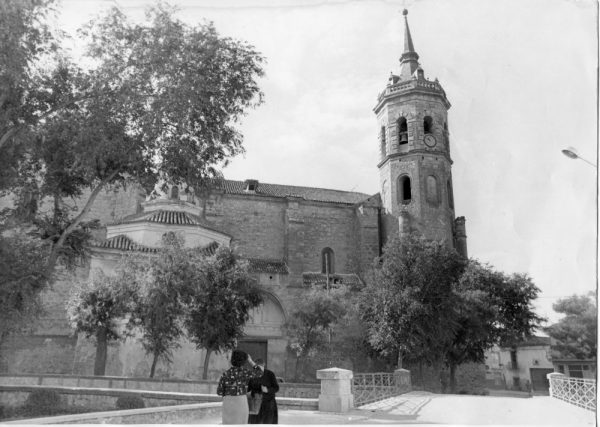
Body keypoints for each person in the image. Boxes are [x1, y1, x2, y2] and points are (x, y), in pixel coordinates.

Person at [217, 350, 262, 424]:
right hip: (241, 402)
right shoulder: (245, 373)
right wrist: (250, 361)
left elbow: (219, 392)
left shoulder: (225, 374)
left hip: (228, 403)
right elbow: (260, 372)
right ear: (244, 361)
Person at [247, 359, 279, 424]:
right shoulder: (252, 374)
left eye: (260, 366)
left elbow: (276, 388)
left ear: (264, 365)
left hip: (268, 403)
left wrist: (267, 390)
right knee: (255, 423)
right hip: (255, 403)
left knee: (268, 423)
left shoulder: (270, 374)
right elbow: (249, 389)